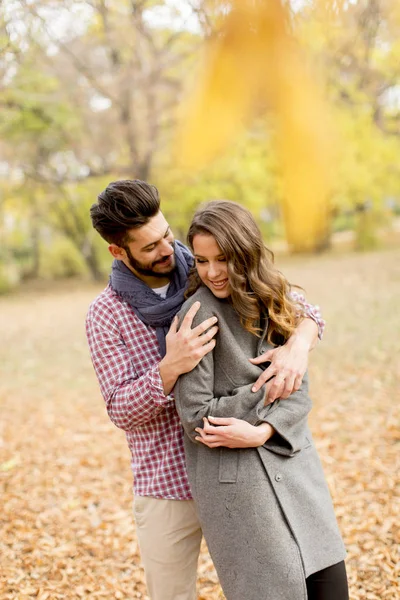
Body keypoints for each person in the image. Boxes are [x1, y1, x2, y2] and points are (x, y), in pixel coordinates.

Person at [86, 180, 326, 600]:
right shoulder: (105, 315)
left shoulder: (207, 268)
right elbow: (119, 408)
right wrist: (168, 368)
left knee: (270, 584)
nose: (166, 250)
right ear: (118, 252)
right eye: (149, 247)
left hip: (239, 469)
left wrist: (299, 345)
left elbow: (300, 308)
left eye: (165, 235)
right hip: (167, 482)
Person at [174, 200, 349, 600]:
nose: (213, 272)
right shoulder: (197, 315)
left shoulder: (274, 298)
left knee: (331, 587)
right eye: (201, 261)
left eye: (223, 259)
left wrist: (264, 430)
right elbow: (197, 415)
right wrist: (269, 388)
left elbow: (299, 388)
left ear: (246, 253)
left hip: (295, 466)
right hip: (241, 489)